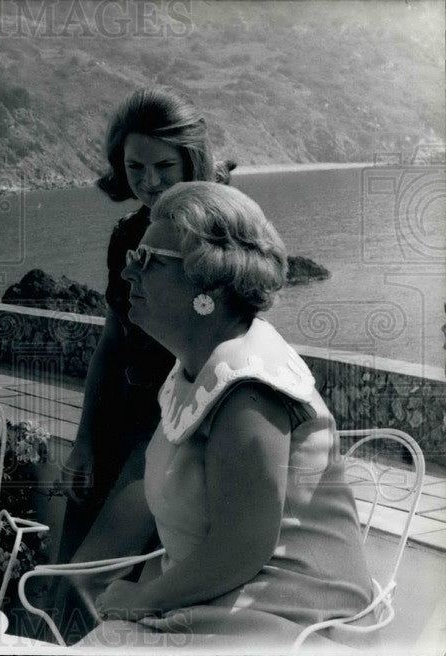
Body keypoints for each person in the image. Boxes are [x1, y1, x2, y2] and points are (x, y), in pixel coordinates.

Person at [77, 182, 371, 649]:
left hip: (283, 613)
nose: (128, 273)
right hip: (229, 596)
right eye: (133, 255)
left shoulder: (248, 394)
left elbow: (240, 548)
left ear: (206, 284)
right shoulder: (199, 366)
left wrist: (144, 597)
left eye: (147, 260)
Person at [54, 87, 220, 639]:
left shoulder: (222, 235)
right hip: (115, 420)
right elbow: (111, 343)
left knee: (87, 582)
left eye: (163, 166)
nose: (149, 182)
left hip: (172, 428)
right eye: (135, 167)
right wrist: (82, 440)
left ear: (192, 160)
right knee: (65, 572)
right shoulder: (127, 236)